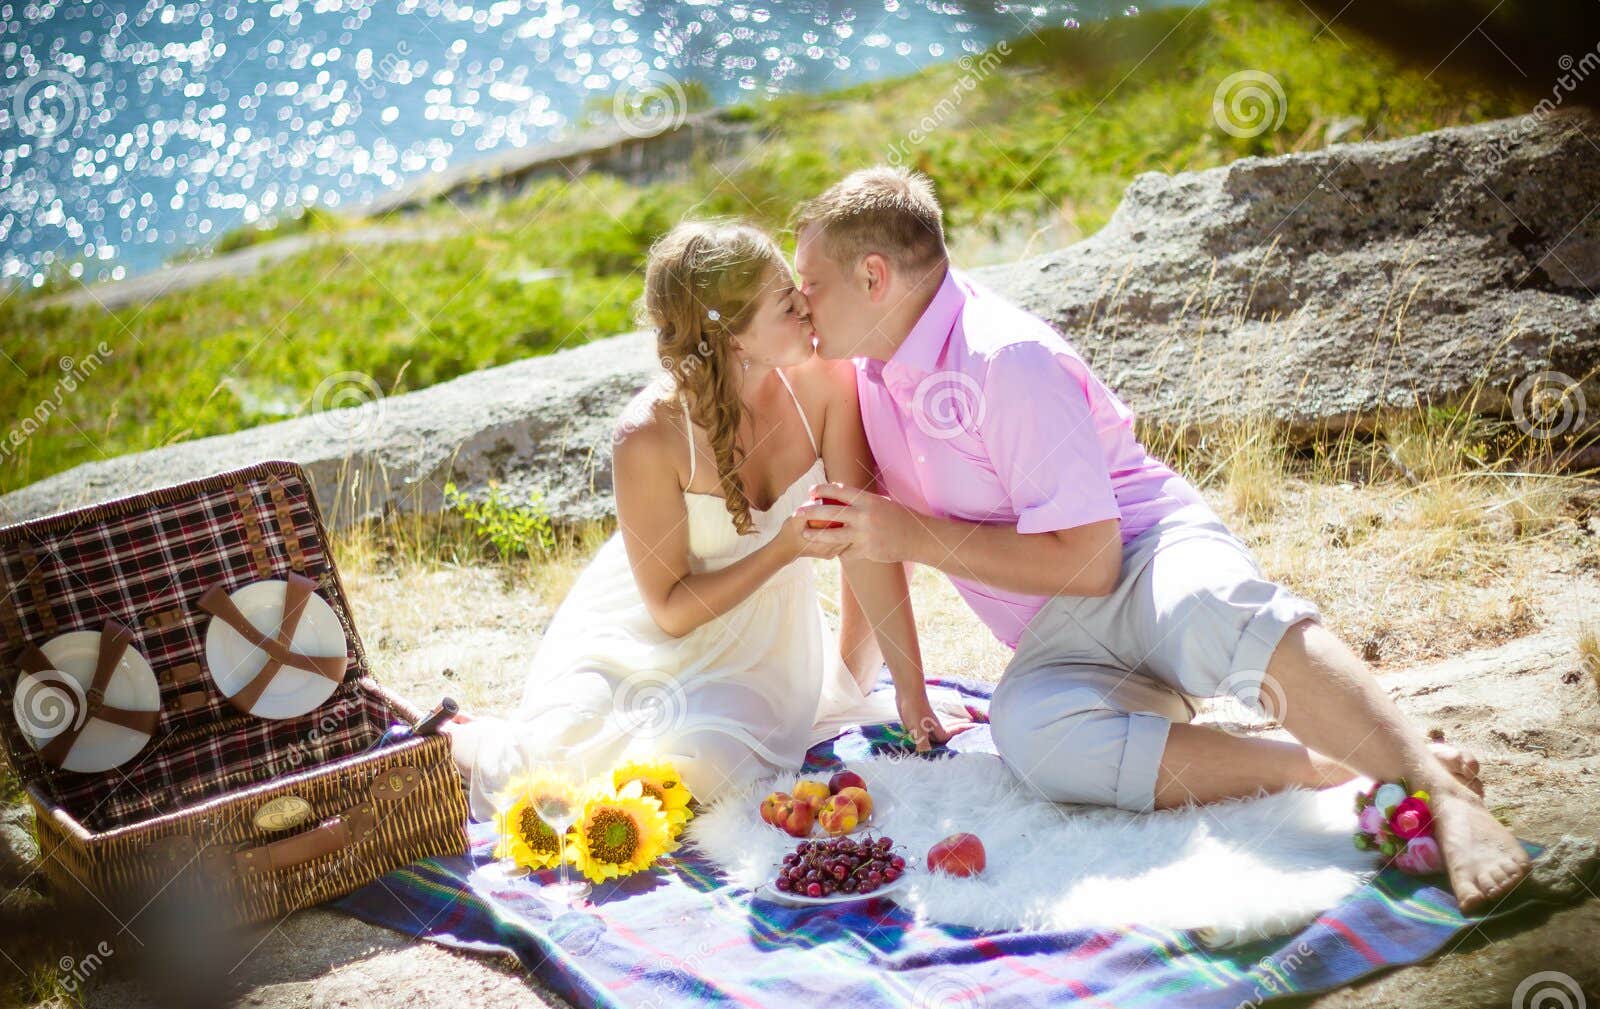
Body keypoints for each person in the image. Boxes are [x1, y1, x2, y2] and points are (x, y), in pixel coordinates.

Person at [790, 165, 1529, 914]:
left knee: (1214, 609)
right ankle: (1327, 765)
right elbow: (865, 534)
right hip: (1059, 636)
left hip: (1147, 560)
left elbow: (1090, 561)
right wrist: (912, 695)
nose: (800, 301)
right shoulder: (865, 373)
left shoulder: (1004, 358)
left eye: (811, 284)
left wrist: (913, 534)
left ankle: (1441, 794)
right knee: (1032, 735)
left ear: (873, 276)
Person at [445, 220, 955, 822]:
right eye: (785, 302)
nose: (806, 307)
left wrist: (908, 691)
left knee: (696, 769)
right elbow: (670, 609)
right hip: (646, 639)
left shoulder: (826, 383)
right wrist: (784, 548)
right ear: (733, 337)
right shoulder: (648, 434)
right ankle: (456, 738)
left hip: (763, 656)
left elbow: (862, 542)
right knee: (552, 765)